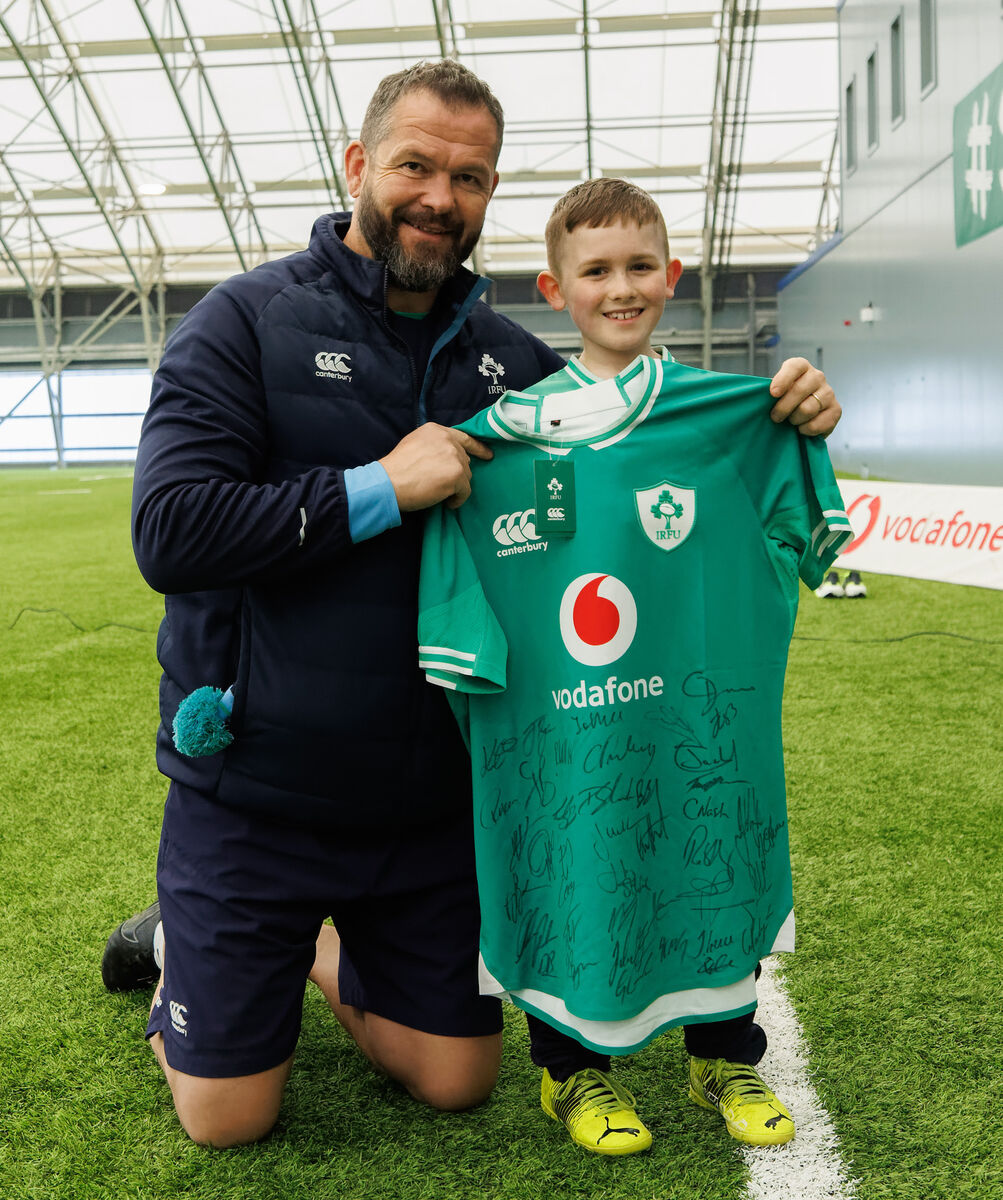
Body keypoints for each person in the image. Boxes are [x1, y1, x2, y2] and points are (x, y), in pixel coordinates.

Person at [103, 60, 841, 1148]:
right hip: (258, 793)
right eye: (415, 166)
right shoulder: (244, 321)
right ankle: (187, 941)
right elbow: (170, 532)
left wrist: (782, 411)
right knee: (227, 1119)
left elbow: (629, 434)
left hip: (427, 807)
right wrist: (379, 488)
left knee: (455, 1080)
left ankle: (311, 950)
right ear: (358, 165)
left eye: (470, 177)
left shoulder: (516, 366)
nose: (439, 197)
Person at [416, 177, 853, 1155]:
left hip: (697, 722)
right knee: (565, 856)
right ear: (554, 288)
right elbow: (451, 614)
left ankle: (724, 1056)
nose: (621, 287)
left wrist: (802, 418)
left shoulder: (733, 420)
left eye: (640, 266)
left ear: (672, 275)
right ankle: (569, 1074)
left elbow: (808, 531)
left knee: (708, 845)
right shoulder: (492, 445)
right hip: (561, 732)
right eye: (597, 270)